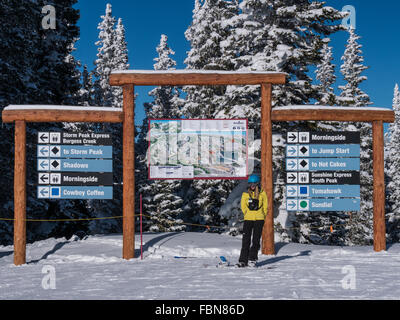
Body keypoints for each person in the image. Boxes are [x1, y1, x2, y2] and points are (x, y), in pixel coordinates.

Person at [237, 174, 268, 268]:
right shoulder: (245, 194)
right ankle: (243, 260)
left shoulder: (262, 193)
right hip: (248, 219)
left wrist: (262, 215)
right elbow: (243, 206)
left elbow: (265, 206)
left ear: (258, 183)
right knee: (246, 240)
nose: (253, 185)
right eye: (251, 183)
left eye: (255, 183)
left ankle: (252, 259)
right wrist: (247, 213)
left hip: (259, 219)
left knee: (256, 240)